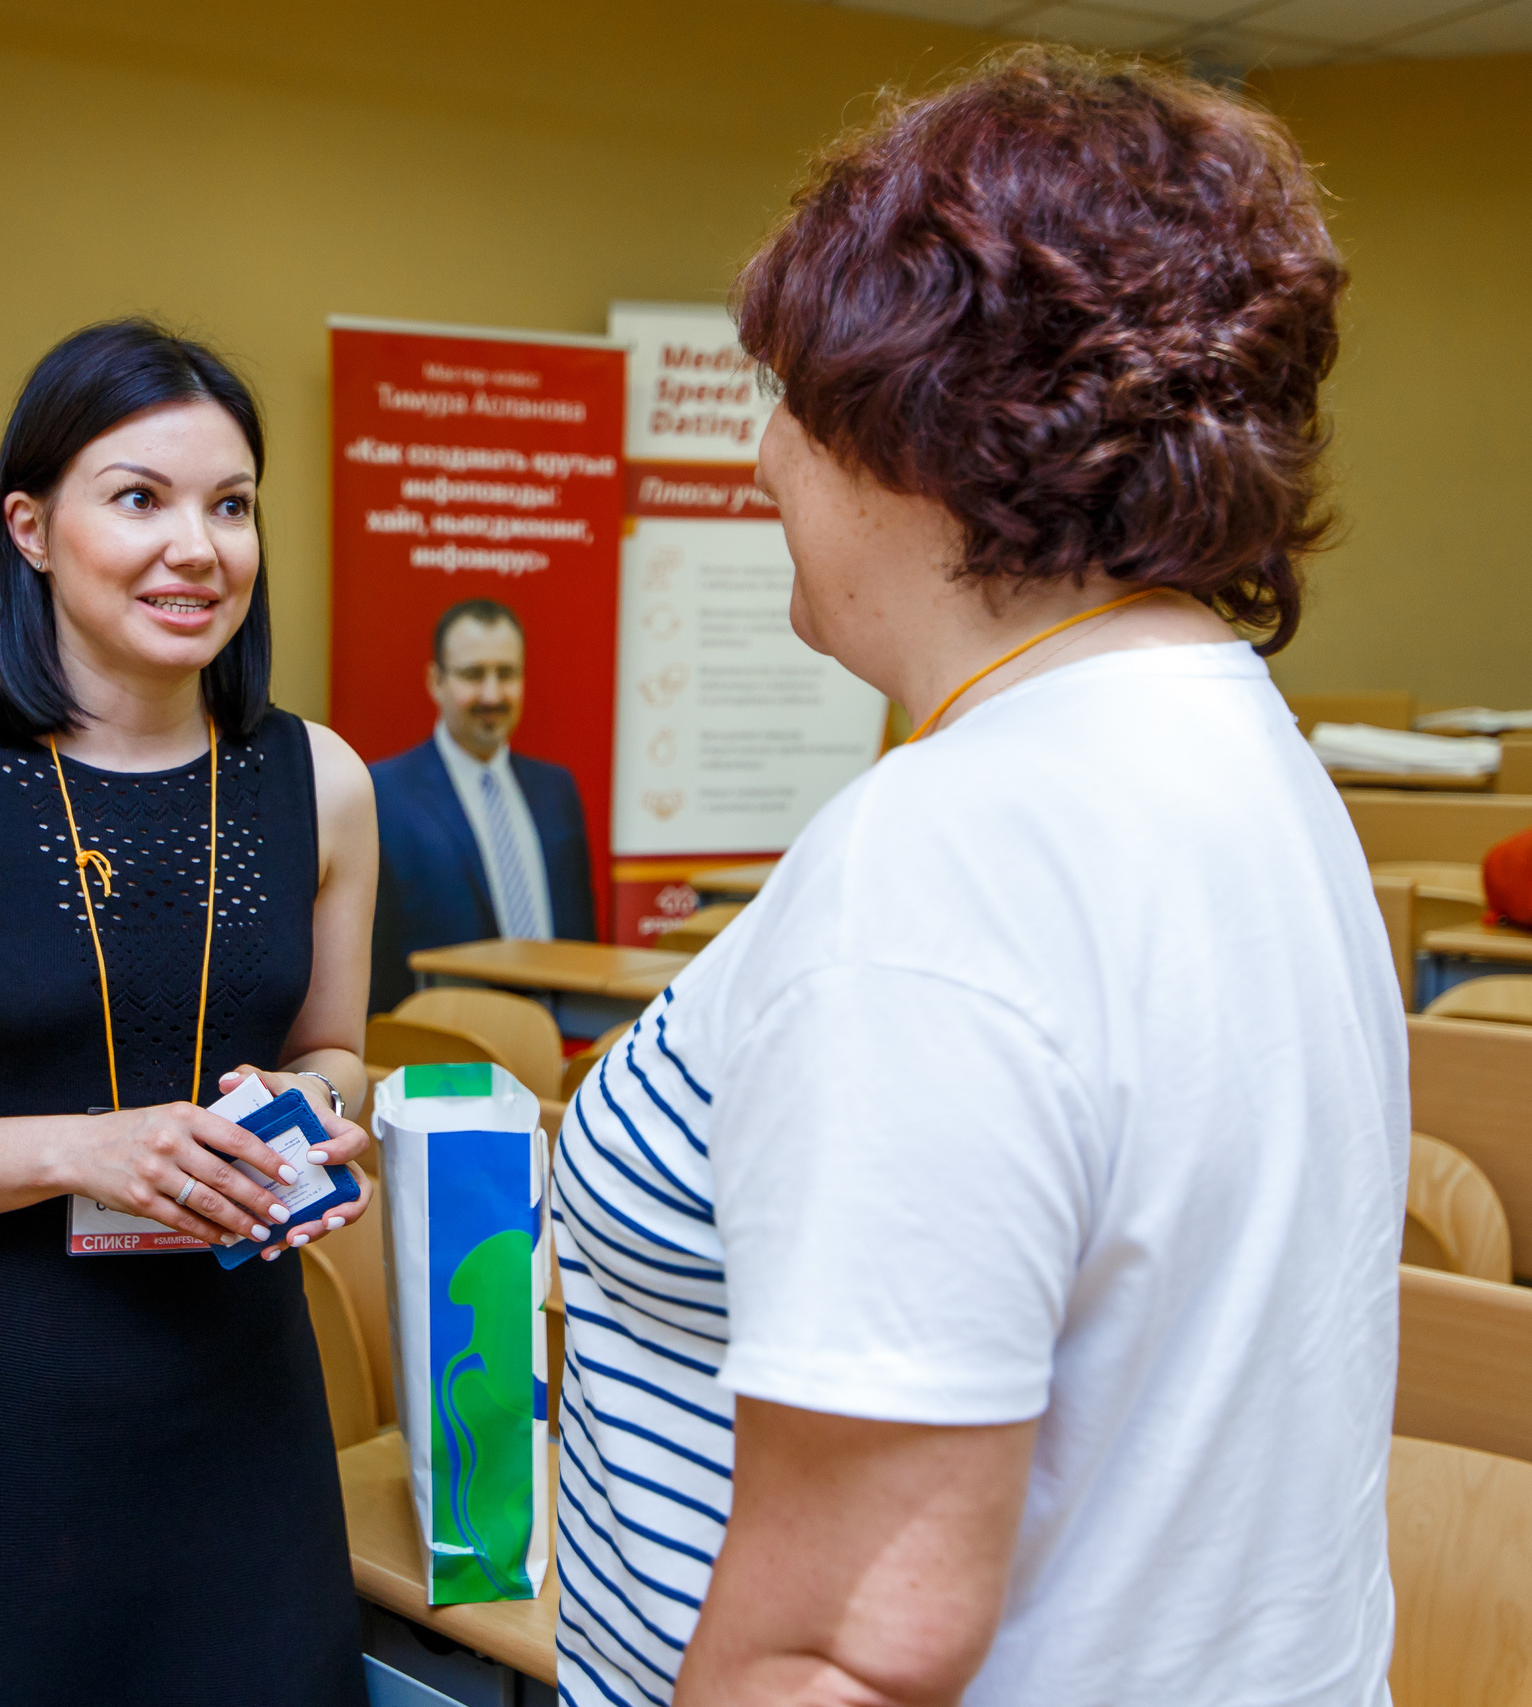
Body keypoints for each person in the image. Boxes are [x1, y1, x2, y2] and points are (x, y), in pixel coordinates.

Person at [554, 50, 1399, 1707]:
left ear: (910, 429)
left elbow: (847, 1654)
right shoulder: (1242, 753)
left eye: (788, 400)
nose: (763, 463)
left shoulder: (949, 855)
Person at [0, 319, 374, 1705]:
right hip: (3, 1420)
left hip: (248, 1409)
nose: (197, 547)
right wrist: (79, 1147)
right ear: (33, 527)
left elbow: (334, 1046)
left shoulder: (320, 779)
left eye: (230, 505)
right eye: (140, 498)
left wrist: (319, 1113)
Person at [368, 596, 596, 1014]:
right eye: (473, 675)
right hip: (443, 1055)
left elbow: (583, 942)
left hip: (558, 1050)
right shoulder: (382, 795)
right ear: (436, 681)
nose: (492, 694)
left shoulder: (556, 790)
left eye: (506, 674)